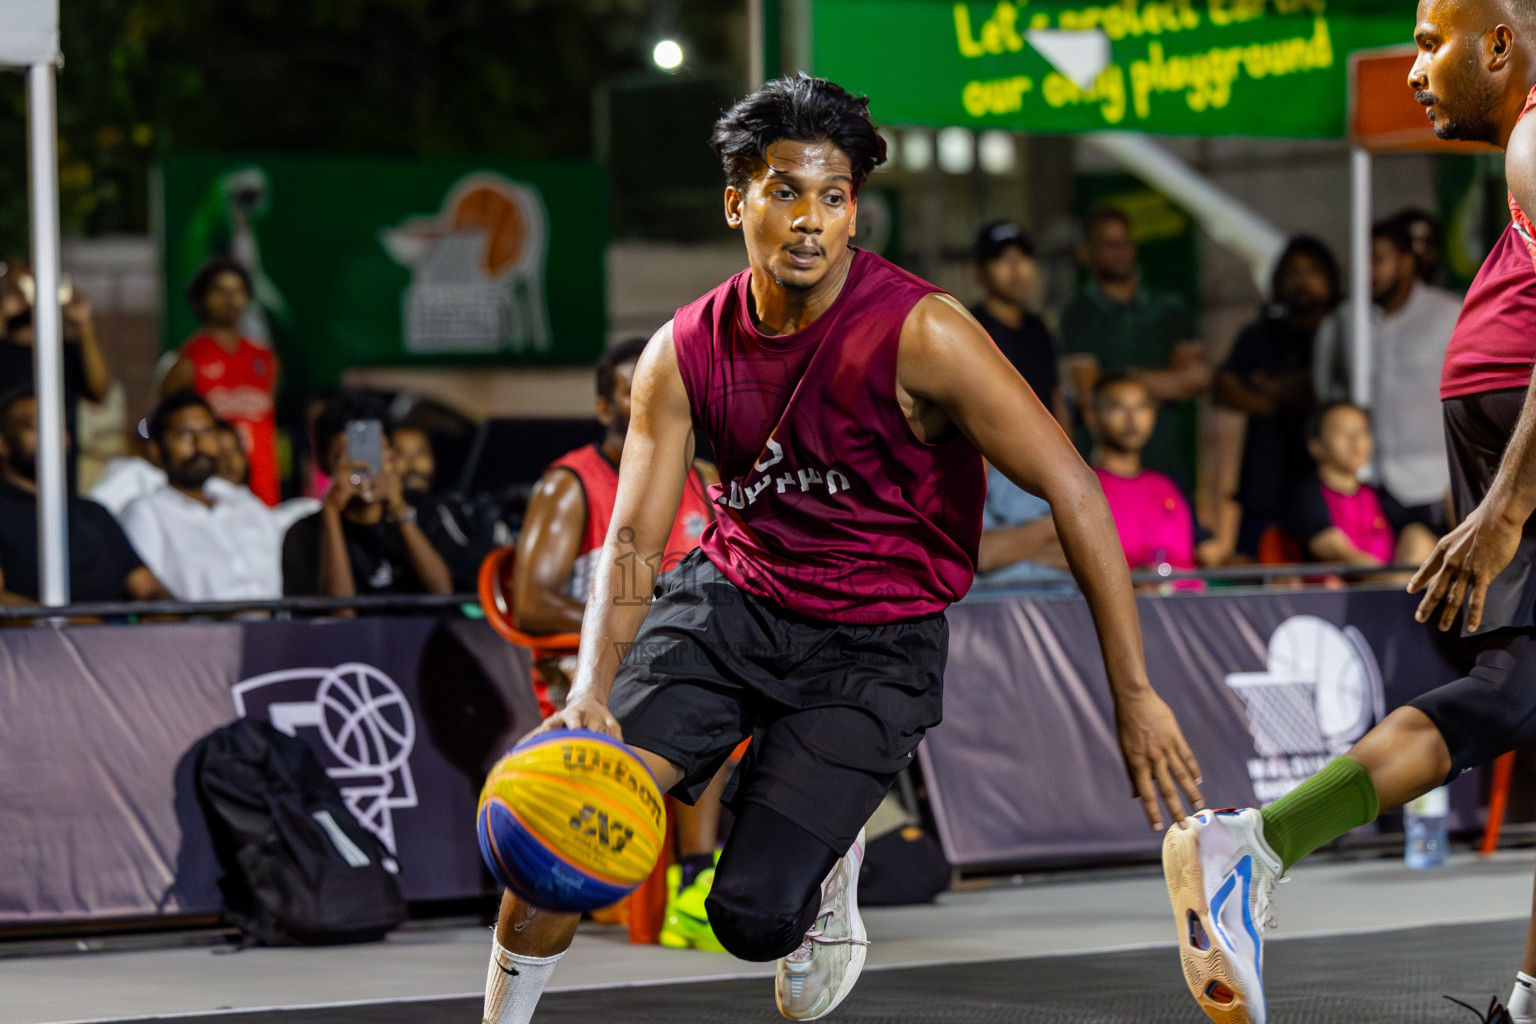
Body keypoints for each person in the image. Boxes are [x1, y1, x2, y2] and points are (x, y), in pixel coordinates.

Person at [482, 73, 1201, 1024]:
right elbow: (634, 537)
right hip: (730, 606)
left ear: (855, 209)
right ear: (739, 201)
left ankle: (829, 860)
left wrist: (1135, 692)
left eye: (833, 196)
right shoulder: (683, 349)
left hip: (876, 645)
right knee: (561, 821)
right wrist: (587, 697)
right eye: (785, 192)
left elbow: (1074, 491)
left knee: (748, 918)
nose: (811, 220)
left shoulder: (925, 332)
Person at [1165, 6, 1536, 1022]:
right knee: (1512, 689)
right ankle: (1258, 842)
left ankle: (1530, 996)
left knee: (1517, 691)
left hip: (1503, 417)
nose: (1416, 68)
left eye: (1430, 42)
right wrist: (1506, 511)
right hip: (1520, 425)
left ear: (1498, 41)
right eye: (1419, 40)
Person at [509, 335, 728, 951]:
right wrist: (648, 620)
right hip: (597, 663)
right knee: (697, 690)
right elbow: (530, 600)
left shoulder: (706, 477)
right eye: (633, 396)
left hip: (689, 651)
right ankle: (694, 884)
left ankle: (781, 883)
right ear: (606, 408)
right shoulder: (570, 482)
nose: (651, 405)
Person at [1314, 216, 1464, 527]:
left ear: (1406, 262)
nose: (1367, 272)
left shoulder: (1450, 314)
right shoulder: (1344, 320)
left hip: (1437, 483)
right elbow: (1326, 392)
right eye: (1361, 261)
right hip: (1366, 483)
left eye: (1378, 260)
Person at [1059, 205, 1210, 484]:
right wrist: (1163, 381)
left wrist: (1118, 380)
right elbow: (1087, 390)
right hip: (1103, 471)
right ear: (1086, 252)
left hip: (1167, 463)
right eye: (1108, 243)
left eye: (1124, 241)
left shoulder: (1169, 308)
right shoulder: (1077, 315)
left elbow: (1195, 379)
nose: (1120, 250)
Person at [1214, 237, 1338, 558]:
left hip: (1325, 479)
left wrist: (1277, 386)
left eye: (1312, 270)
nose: (1302, 280)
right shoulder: (1261, 332)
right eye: (1292, 272)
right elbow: (1224, 387)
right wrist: (1279, 401)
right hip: (1265, 482)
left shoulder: (1343, 331)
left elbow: (1320, 387)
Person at [0, 390, 168, 605]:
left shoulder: (94, 513)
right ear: (3, 443)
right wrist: (70, 627)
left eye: (60, 426)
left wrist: (166, 614)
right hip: (38, 638)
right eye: (37, 427)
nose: (54, 437)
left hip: (120, 636)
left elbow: (147, 588)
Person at [281, 396, 452, 601]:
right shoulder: (303, 534)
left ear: (390, 456)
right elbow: (339, 614)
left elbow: (443, 593)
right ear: (324, 464)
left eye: (373, 456)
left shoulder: (426, 514)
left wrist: (399, 510)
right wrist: (331, 511)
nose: (361, 468)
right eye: (344, 458)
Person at [118, 392, 281, 602]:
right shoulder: (147, 512)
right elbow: (150, 604)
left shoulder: (248, 507)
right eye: (184, 434)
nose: (199, 444)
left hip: (278, 629)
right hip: (200, 633)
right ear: (156, 449)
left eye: (207, 432)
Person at [162, 258, 281, 506]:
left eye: (237, 291)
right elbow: (164, 424)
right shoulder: (188, 360)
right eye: (220, 291)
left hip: (263, 489)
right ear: (202, 298)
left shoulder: (265, 359)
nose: (230, 299)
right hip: (211, 488)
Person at [1091, 373, 1219, 579]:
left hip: (1184, 603)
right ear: (1093, 415)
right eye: (1118, 407)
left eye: (1141, 407)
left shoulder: (1167, 486)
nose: (1132, 419)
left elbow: (1207, 554)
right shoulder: (1085, 488)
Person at [1286, 401, 1438, 572]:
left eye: (1363, 431)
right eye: (1342, 432)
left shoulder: (1377, 494)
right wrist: (1386, 582)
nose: (1356, 440)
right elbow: (1330, 548)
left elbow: (1418, 533)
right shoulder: (1307, 495)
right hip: (1339, 595)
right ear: (1316, 446)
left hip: (1392, 588)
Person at [0, 271, 114, 491]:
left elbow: (100, 391)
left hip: (60, 484)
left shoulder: (64, 351)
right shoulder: (4, 349)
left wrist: (84, 324)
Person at [968, 221, 1069, 431]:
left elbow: (1054, 396)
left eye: (1022, 257)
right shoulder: (969, 329)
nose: (1016, 269)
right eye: (1003, 259)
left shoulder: (1038, 328)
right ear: (979, 271)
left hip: (1045, 452)